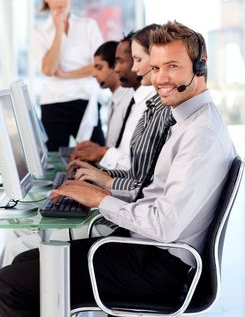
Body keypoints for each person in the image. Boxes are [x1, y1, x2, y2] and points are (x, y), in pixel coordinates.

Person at [0, 21, 236, 317]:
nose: (160, 77)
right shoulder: (186, 121)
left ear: (200, 67)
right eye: (157, 67)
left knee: (10, 284)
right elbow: (154, 196)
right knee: (24, 262)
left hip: (156, 268)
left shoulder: (201, 135)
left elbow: (163, 225)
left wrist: (100, 199)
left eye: (172, 66)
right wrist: (99, 189)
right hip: (144, 253)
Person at [67, 24, 171, 192]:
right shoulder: (141, 103)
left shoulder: (156, 107)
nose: (116, 69)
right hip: (128, 190)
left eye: (137, 60)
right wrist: (99, 174)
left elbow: (140, 175)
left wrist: (103, 172)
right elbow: (137, 173)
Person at [32, 0, 105, 151]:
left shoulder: (88, 26)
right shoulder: (39, 32)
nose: (60, 0)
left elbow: (99, 66)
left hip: (85, 100)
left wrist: (65, 74)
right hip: (54, 103)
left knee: (97, 156)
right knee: (53, 160)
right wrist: (58, 31)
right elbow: (49, 69)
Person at [70, 32, 156, 170]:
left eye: (138, 60)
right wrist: (99, 150)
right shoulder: (130, 100)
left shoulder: (145, 103)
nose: (117, 69)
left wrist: (102, 152)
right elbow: (123, 152)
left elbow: (135, 166)